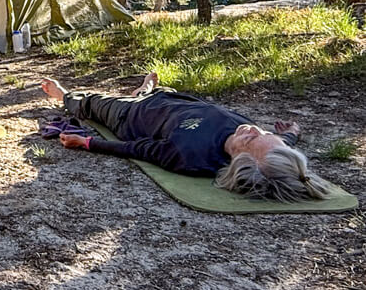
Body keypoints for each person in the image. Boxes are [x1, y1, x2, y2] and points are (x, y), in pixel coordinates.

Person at [40, 73, 333, 202]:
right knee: (158, 93)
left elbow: (137, 148)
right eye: (265, 132)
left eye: (251, 140)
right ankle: (146, 88)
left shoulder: (190, 155)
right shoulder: (268, 147)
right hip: (177, 102)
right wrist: (290, 134)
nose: (254, 130)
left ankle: (63, 93)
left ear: (242, 162)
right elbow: (280, 149)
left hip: (129, 116)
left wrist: (87, 142)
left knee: (91, 101)